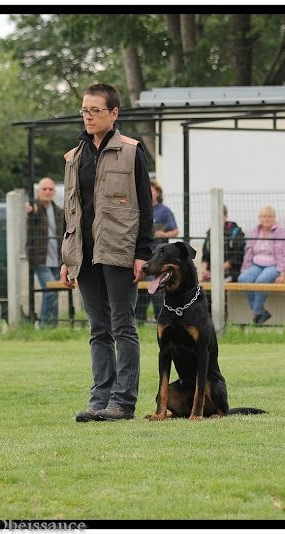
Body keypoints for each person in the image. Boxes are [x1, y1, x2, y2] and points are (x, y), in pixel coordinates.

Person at [59, 83, 153, 422]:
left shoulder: (132, 151)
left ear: (113, 114)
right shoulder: (74, 157)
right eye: (84, 110)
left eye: (95, 110)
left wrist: (142, 253)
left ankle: (122, 403)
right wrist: (67, 257)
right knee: (98, 329)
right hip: (84, 256)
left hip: (119, 253)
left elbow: (145, 206)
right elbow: (70, 212)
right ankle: (100, 399)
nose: (88, 116)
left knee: (123, 326)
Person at [238, 205, 285, 325]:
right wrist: (245, 269)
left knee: (261, 281)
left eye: (270, 216)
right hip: (256, 264)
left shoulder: (280, 231)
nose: (267, 219)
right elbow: (249, 252)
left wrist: (282, 272)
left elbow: (284, 254)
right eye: (264, 216)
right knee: (243, 279)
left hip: (274, 265)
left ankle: (256, 316)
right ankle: (260, 313)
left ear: (274, 218)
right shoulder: (255, 231)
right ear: (260, 218)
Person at [135, 179, 178, 322]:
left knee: (157, 292)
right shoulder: (140, 209)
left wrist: (164, 235)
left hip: (159, 259)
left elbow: (175, 231)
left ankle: (161, 320)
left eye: (152, 190)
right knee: (142, 292)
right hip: (143, 256)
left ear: (157, 193)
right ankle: (139, 321)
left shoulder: (165, 211)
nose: (150, 192)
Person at [26, 177, 65, 328]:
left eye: (50, 189)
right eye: (44, 189)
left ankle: (52, 325)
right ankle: (44, 325)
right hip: (40, 259)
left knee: (53, 292)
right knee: (50, 290)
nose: (47, 192)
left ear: (54, 192)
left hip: (57, 259)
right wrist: (29, 209)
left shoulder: (59, 211)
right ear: (38, 191)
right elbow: (28, 215)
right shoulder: (33, 209)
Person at [201, 204, 245, 283]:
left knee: (217, 283)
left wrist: (216, 271)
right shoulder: (210, 233)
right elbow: (205, 255)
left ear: (226, 215)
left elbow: (237, 256)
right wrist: (204, 271)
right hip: (212, 272)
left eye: (219, 215)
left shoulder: (236, 232)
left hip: (231, 272)